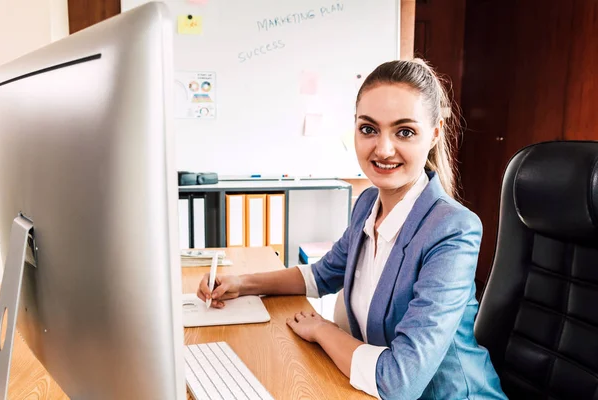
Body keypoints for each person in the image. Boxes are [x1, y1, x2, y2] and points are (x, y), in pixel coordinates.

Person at [197, 59, 507, 400]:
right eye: (369, 129)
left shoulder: (452, 229)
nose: (383, 149)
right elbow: (321, 275)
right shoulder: (366, 205)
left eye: (404, 131)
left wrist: (323, 330)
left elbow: (399, 381)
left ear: (433, 134)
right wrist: (242, 284)